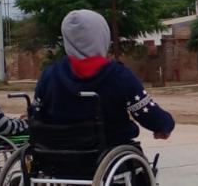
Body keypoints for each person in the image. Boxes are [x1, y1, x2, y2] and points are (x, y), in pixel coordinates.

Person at [35, 9, 175, 146]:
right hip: (108, 151)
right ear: (102, 36)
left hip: (58, 156)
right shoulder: (118, 75)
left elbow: (37, 114)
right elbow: (148, 114)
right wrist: (165, 125)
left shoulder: (49, 75)